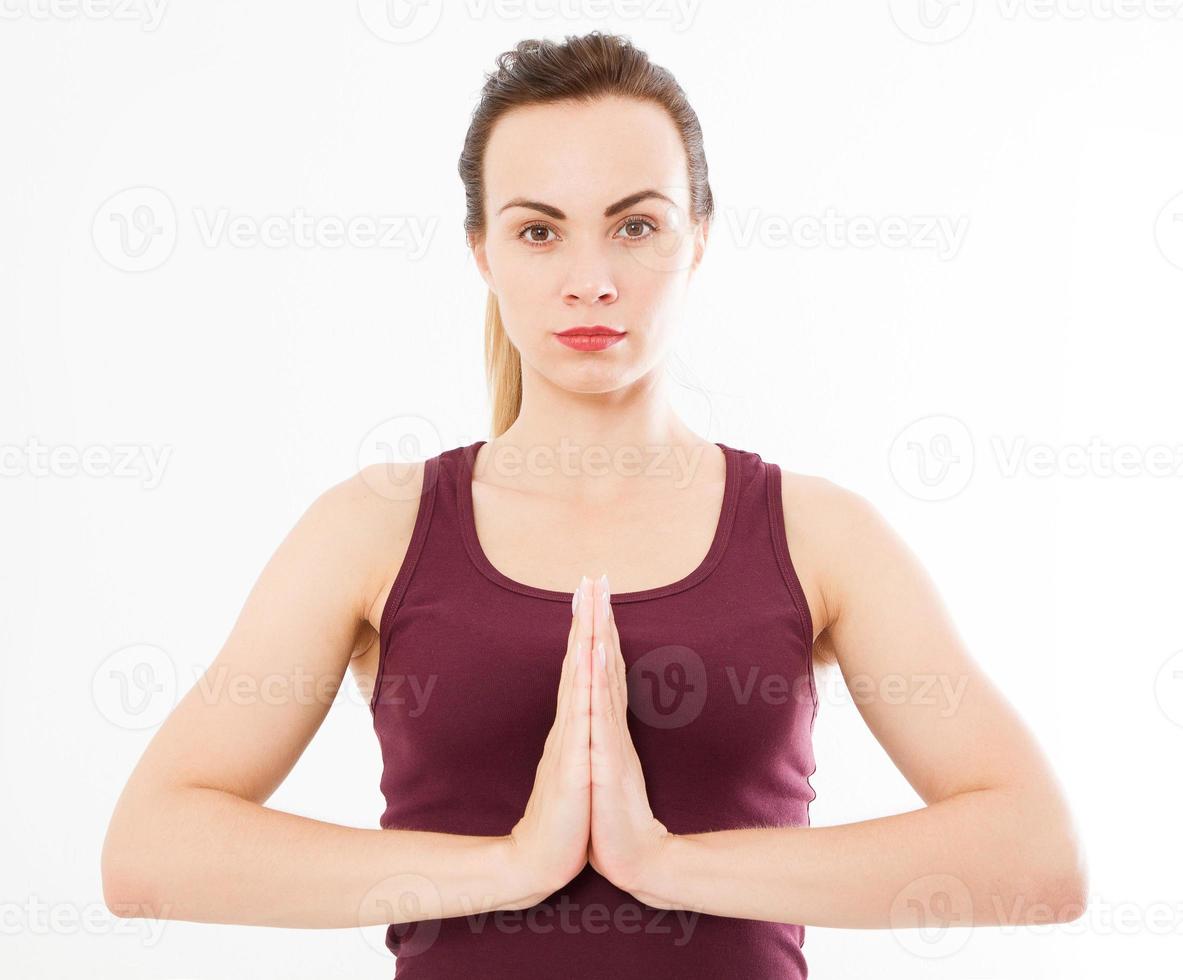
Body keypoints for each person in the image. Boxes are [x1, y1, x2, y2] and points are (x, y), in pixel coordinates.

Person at [101, 30, 1088, 978]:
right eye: (539, 230)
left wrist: (662, 859)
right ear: (483, 250)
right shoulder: (376, 526)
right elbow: (150, 847)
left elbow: (1035, 855)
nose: (590, 281)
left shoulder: (819, 532)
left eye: (635, 225)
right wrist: (514, 863)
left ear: (696, 236)